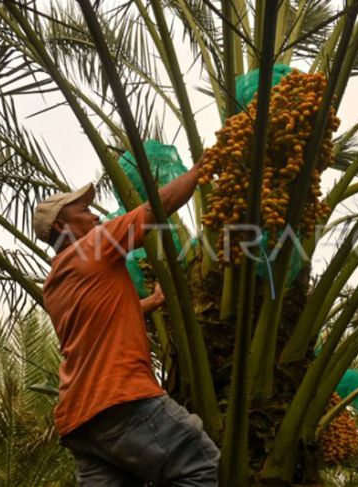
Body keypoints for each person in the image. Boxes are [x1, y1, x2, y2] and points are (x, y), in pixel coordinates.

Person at [32, 161, 219, 486]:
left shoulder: (53, 285)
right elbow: (156, 209)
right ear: (63, 225)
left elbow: (96, 321)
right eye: (85, 211)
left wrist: (153, 302)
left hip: (80, 422)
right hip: (121, 399)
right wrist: (199, 171)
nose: (95, 216)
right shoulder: (93, 246)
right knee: (197, 462)